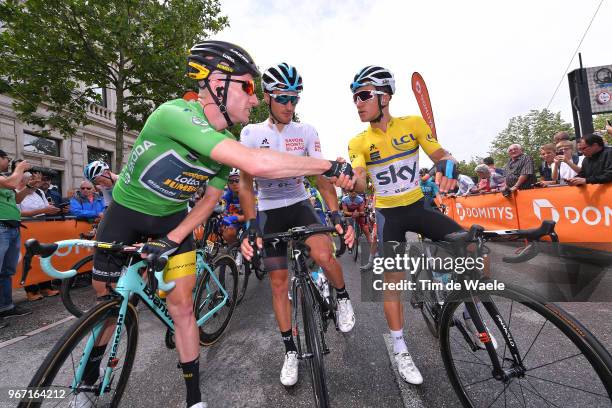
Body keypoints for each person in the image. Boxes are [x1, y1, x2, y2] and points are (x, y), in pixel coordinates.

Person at [85, 42, 353, 408]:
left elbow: (211, 200)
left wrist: (173, 237)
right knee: (107, 307)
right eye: (247, 86)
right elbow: (256, 166)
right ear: (217, 83)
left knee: (181, 309)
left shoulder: (227, 141)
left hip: (174, 219)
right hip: (123, 214)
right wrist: (327, 166)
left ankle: (194, 398)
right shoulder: (174, 114)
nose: (255, 99)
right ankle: (87, 380)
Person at [238, 62, 355, 388]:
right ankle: (290, 351)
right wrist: (250, 224)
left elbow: (321, 178)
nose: (290, 106)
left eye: (295, 99)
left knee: (323, 255)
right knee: (278, 284)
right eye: (283, 99)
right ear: (267, 98)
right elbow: (246, 184)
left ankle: (342, 297)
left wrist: (334, 215)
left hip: (301, 204)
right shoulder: (251, 133)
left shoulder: (306, 132)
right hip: (270, 210)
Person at [347, 65, 463, 385]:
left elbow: (441, 154)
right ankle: (400, 348)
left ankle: (460, 306)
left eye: (364, 95)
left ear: (385, 97)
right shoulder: (358, 141)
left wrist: (448, 163)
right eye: (354, 97)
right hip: (389, 217)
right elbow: (359, 180)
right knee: (392, 284)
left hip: (417, 205)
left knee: (467, 244)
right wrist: (353, 181)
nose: (358, 102)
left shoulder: (412, 123)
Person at [0, 150, 33, 322]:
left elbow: (17, 199)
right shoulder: (7, 180)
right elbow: (13, 182)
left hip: (12, 228)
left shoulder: (5, 181)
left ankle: (6, 307)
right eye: (7, 158)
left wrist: (30, 187)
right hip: (1, 227)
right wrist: (19, 167)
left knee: (6, 271)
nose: (8, 162)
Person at [220, 169, 244, 244]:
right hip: (238, 220)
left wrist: (236, 217)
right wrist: (222, 219)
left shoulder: (251, 192)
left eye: (237, 180)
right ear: (228, 184)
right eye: (231, 181)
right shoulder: (229, 194)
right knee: (227, 233)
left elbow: (254, 215)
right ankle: (236, 250)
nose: (234, 183)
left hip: (252, 220)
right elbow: (224, 208)